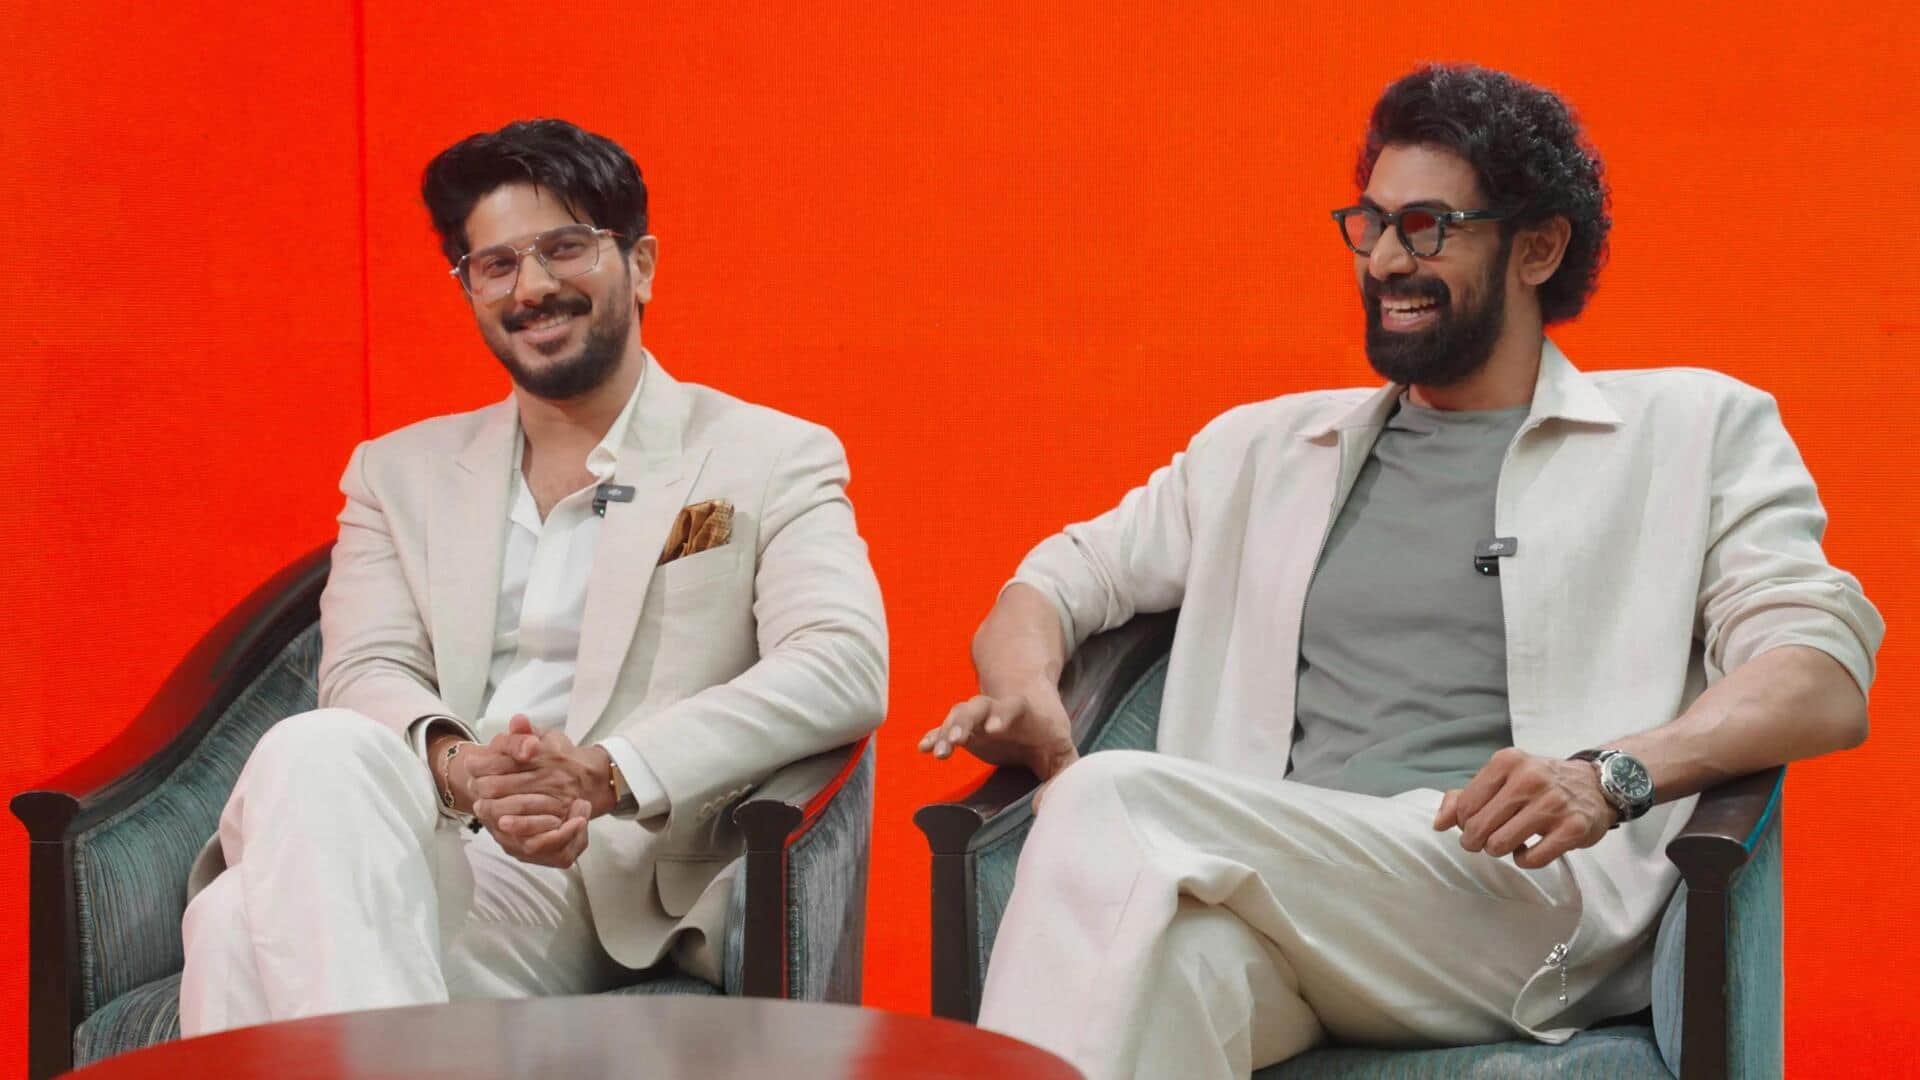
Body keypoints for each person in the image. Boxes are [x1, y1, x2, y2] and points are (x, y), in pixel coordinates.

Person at [920, 64, 1881, 1079]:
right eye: (1372, 223)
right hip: (1292, 893)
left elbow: (1821, 671)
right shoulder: (1262, 449)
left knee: (1110, 801)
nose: (1384, 259)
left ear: (1539, 247)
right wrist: (1024, 685)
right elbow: (1060, 579)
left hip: (1518, 896)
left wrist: (1608, 775)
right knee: (1173, 969)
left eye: (1427, 227)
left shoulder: (1692, 430)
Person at [180, 118, 888, 1033]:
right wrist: (463, 771)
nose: (533, 288)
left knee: (234, 923)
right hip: (424, 836)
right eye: (497, 264)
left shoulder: (768, 455)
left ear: (639, 265)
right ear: (469, 287)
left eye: (565, 248)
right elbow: (364, 670)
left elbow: (841, 662)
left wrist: (606, 773)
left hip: (604, 880)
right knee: (312, 751)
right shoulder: (396, 475)